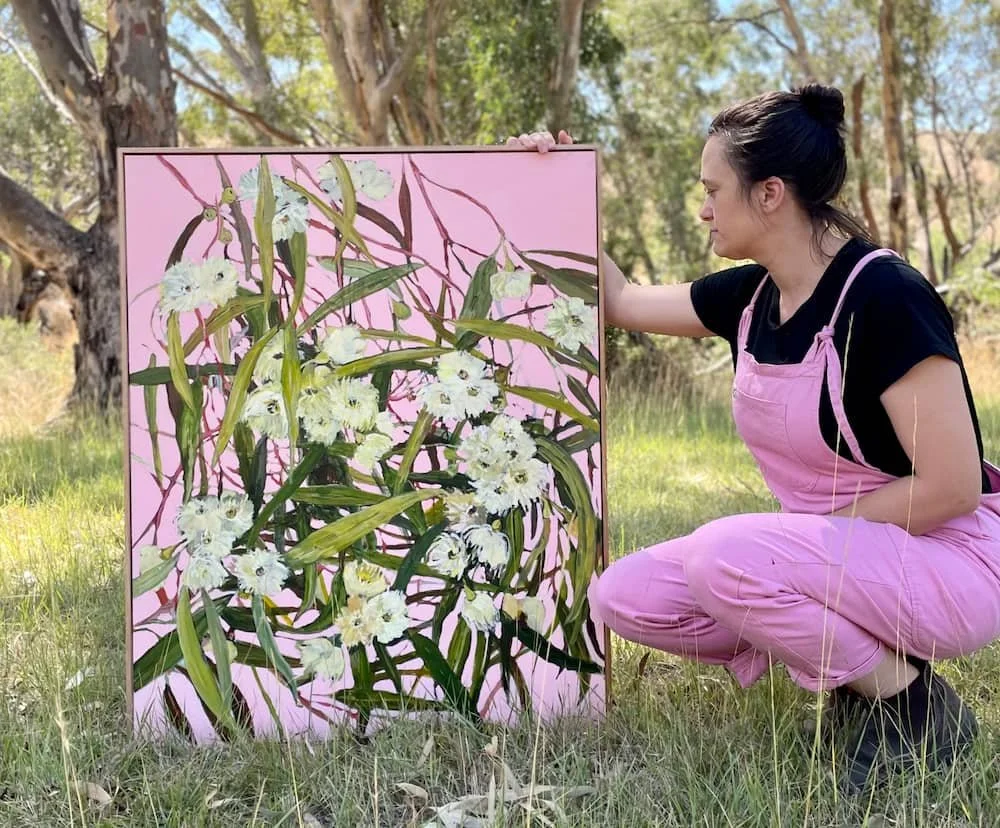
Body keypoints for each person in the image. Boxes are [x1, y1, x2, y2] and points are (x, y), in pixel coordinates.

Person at [508, 83, 1000, 794]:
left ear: (770, 194)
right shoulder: (752, 295)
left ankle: (915, 710)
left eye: (713, 189)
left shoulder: (884, 296)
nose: (702, 207)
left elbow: (951, 487)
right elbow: (616, 302)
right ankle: (860, 682)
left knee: (726, 557)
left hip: (951, 559)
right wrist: (547, 185)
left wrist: (800, 546)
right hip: (839, 552)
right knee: (626, 596)